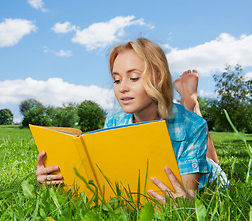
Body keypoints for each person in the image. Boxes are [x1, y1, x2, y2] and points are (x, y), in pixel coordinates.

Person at [36, 38, 227, 204]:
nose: (122, 88)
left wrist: (183, 201)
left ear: (158, 78)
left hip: (208, 173)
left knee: (208, 155)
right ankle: (188, 100)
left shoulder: (192, 126)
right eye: (117, 80)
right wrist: (55, 179)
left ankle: (190, 101)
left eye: (134, 78)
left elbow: (188, 198)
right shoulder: (113, 122)